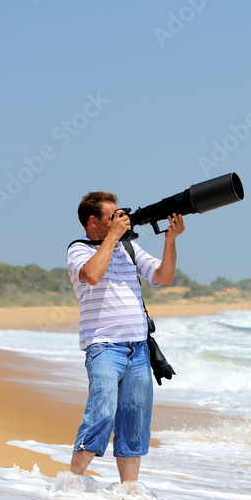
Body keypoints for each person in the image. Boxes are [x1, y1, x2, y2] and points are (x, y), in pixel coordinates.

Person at [65, 191, 185, 484]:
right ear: (94, 222)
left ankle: (128, 492)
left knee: (134, 423)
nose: (122, 220)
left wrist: (170, 240)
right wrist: (113, 238)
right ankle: (70, 482)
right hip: (103, 347)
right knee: (101, 413)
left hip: (139, 350)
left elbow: (164, 276)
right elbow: (92, 275)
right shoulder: (78, 249)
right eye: (113, 216)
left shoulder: (128, 249)